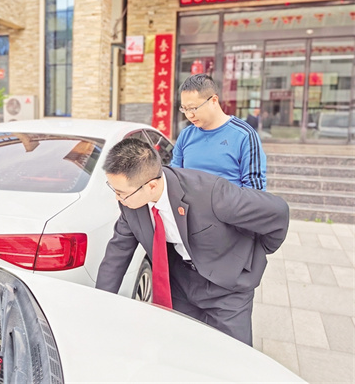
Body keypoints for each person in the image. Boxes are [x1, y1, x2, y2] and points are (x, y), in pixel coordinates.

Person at [96, 138, 289, 345]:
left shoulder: (210, 193)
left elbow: (277, 212)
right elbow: (117, 253)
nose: (118, 198)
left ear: (151, 185)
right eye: (114, 190)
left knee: (233, 353)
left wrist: (259, 250)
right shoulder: (131, 204)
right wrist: (99, 305)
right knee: (184, 346)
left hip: (227, 286)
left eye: (122, 193)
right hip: (181, 282)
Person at [171, 74, 266, 190]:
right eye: (184, 109)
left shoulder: (245, 135)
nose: (189, 115)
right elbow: (174, 178)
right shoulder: (186, 135)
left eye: (193, 108)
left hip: (230, 201)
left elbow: (255, 190)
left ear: (214, 101)